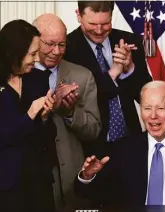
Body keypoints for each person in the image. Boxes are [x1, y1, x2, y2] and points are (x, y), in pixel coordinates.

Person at [32, 13, 101, 211]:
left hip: (71, 182)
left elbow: (93, 131)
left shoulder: (82, 76)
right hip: (30, 180)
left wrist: (70, 112)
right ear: (35, 41)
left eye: (62, 45)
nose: (57, 51)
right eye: (50, 44)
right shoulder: (17, 75)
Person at [64, 1, 152, 146]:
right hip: (89, 144)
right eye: (92, 24)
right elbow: (80, 99)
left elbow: (146, 96)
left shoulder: (130, 41)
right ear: (78, 15)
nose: (99, 30)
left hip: (131, 139)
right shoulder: (66, 48)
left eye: (105, 24)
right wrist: (114, 72)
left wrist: (129, 69)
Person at [0, 20, 56, 212]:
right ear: (13, 52)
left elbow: (49, 135)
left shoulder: (39, 80)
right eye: (32, 54)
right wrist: (31, 114)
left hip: (39, 181)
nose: (37, 60)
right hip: (7, 188)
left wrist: (44, 118)